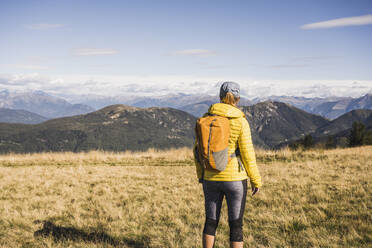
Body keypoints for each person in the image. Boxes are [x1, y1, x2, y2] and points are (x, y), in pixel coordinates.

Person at [194, 82, 262, 248]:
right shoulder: (240, 120)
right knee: (236, 225)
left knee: (210, 222)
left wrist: (201, 175)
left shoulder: (206, 117)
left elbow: (197, 151)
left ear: (220, 97)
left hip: (210, 176)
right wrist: (256, 180)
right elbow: (247, 154)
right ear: (237, 99)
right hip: (235, 179)